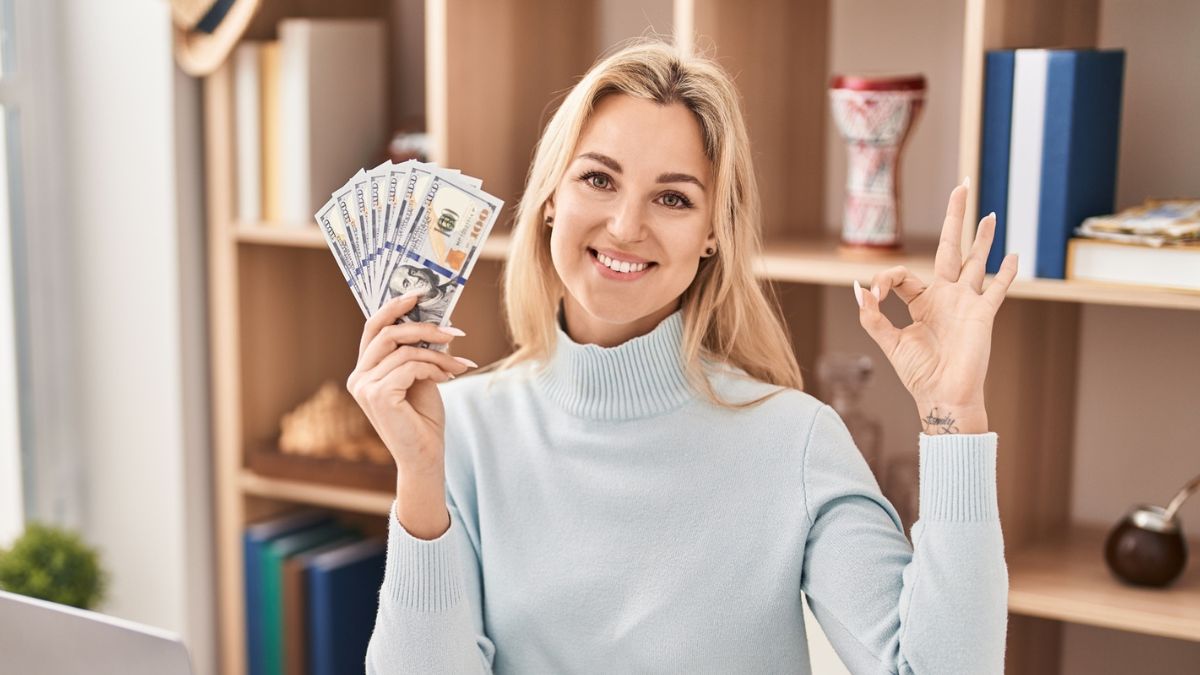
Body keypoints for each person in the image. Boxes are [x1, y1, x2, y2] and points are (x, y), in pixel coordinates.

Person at [349, 40, 1017, 674]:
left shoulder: (796, 441)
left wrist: (952, 411)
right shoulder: (457, 429)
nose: (625, 225)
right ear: (551, 200)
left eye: (672, 197)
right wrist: (418, 480)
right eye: (598, 179)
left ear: (710, 236)